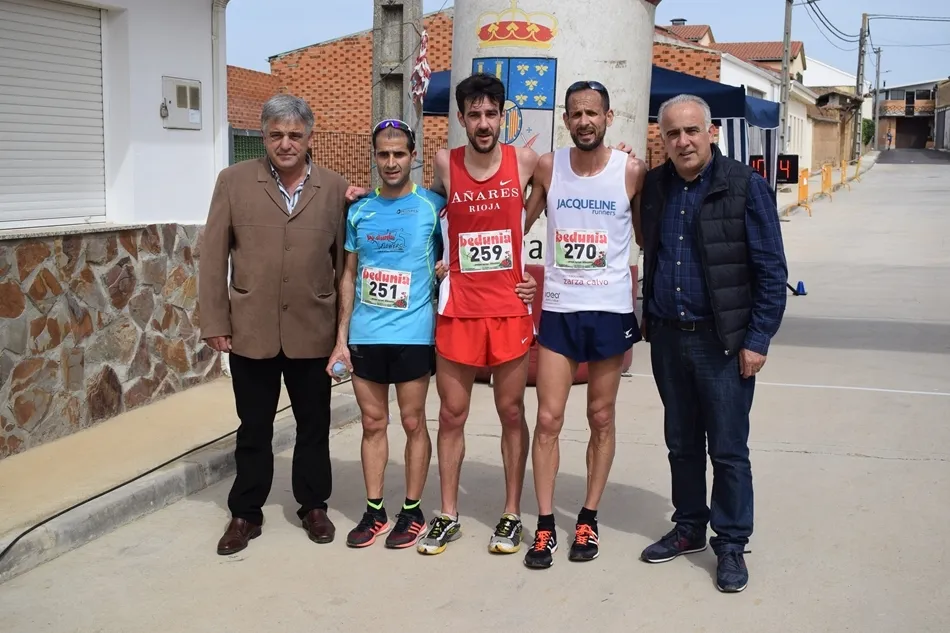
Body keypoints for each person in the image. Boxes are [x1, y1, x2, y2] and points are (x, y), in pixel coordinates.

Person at [637, 94, 788, 593]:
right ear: (663, 139)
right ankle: (688, 527)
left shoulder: (745, 185)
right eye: (672, 133)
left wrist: (757, 339)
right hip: (668, 337)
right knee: (681, 444)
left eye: (691, 131)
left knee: (727, 449)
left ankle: (731, 543)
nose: (683, 141)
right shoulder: (655, 185)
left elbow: (772, 271)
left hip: (722, 342)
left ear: (711, 133)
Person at [199, 94, 349, 555]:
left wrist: (343, 336)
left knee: (313, 426)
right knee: (253, 427)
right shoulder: (233, 181)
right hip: (251, 329)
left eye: (295, 135)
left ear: (309, 137)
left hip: (313, 329)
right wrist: (215, 320)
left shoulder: (336, 188)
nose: (286, 144)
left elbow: (344, 265)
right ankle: (246, 512)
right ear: (263, 136)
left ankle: (313, 506)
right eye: (276, 134)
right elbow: (213, 256)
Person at [518, 80, 646, 569]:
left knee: (601, 417)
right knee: (548, 419)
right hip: (560, 308)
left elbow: (647, 235)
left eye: (593, 113)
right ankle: (545, 524)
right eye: (576, 113)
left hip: (609, 309)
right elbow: (516, 224)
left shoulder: (630, 170)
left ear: (608, 118)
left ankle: (588, 517)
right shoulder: (549, 167)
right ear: (566, 119)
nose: (585, 121)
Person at [326, 119, 445, 550]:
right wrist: (341, 338)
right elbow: (348, 275)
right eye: (383, 154)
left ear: (413, 156)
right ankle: (375, 510)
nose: (391, 162)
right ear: (374, 157)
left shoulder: (433, 205)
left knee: (413, 422)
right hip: (366, 333)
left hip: (414, 334)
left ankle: (412, 511)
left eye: (399, 154)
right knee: (373, 423)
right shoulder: (359, 209)